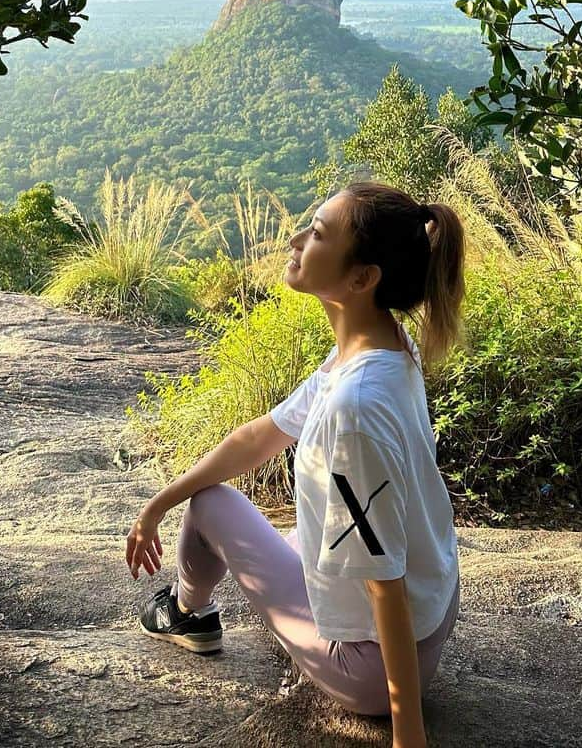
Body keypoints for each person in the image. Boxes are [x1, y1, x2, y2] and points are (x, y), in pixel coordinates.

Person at [125, 181, 466, 748]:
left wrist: (409, 735)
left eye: (318, 234)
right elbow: (260, 436)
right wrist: (158, 502)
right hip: (435, 611)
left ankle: (187, 613)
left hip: (369, 671)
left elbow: (385, 581)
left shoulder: (353, 410)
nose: (296, 237)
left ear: (362, 278)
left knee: (211, 504)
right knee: (235, 507)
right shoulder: (379, 345)